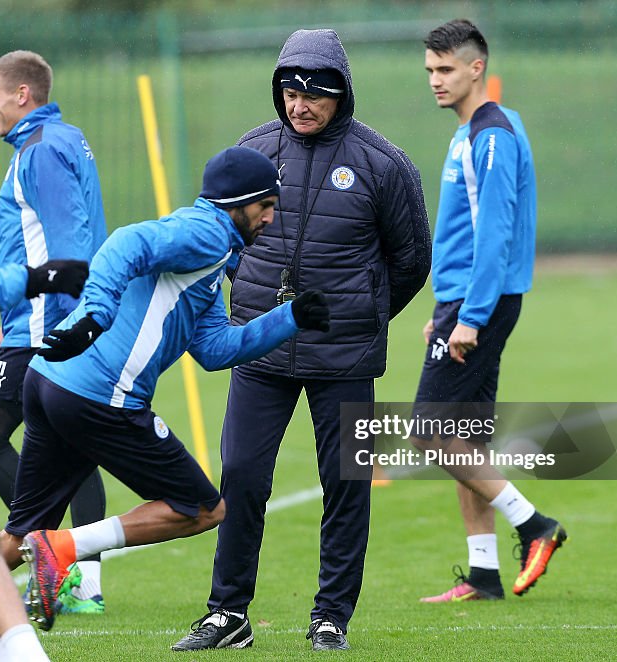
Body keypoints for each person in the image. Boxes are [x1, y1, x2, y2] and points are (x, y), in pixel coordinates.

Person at [0, 146, 331, 643]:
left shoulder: (212, 256)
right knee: (201, 509)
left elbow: (216, 348)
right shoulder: (208, 231)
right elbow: (126, 243)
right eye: (266, 204)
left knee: (19, 536)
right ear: (237, 202)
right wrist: (96, 314)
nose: (270, 216)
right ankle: (65, 546)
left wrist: (290, 319)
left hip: (50, 382)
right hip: (100, 395)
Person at [174, 29, 431, 652]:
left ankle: (330, 617)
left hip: (343, 358)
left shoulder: (384, 165)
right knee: (240, 476)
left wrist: (363, 315)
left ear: (342, 94)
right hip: (258, 352)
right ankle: (227, 613)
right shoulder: (253, 152)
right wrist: (253, 298)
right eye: (291, 91)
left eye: (316, 93)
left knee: (346, 485)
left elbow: (412, 260)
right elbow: (219, 237)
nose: (301, 104)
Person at [414, 19, 566, 603]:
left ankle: (534, 526)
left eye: (446, 69)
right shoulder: (469, 131)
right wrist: (444, 307)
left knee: (429, 430)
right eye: (430, 69)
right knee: (463, 437)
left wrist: (470, 317)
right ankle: (483, 574)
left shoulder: (492, 136)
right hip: (463, 300)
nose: (436, 80)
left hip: (484, 304)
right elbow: (462, 235)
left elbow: (496, 235)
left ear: (477, 68)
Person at [0, 49, 109, 613]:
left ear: (23, 95)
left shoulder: (41, 151)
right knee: (74, 449)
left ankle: (50, 554)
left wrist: (50, 325)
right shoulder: (61, 140)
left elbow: (68, 249)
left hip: (48, 327)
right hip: (42, 321)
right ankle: (82, 584)